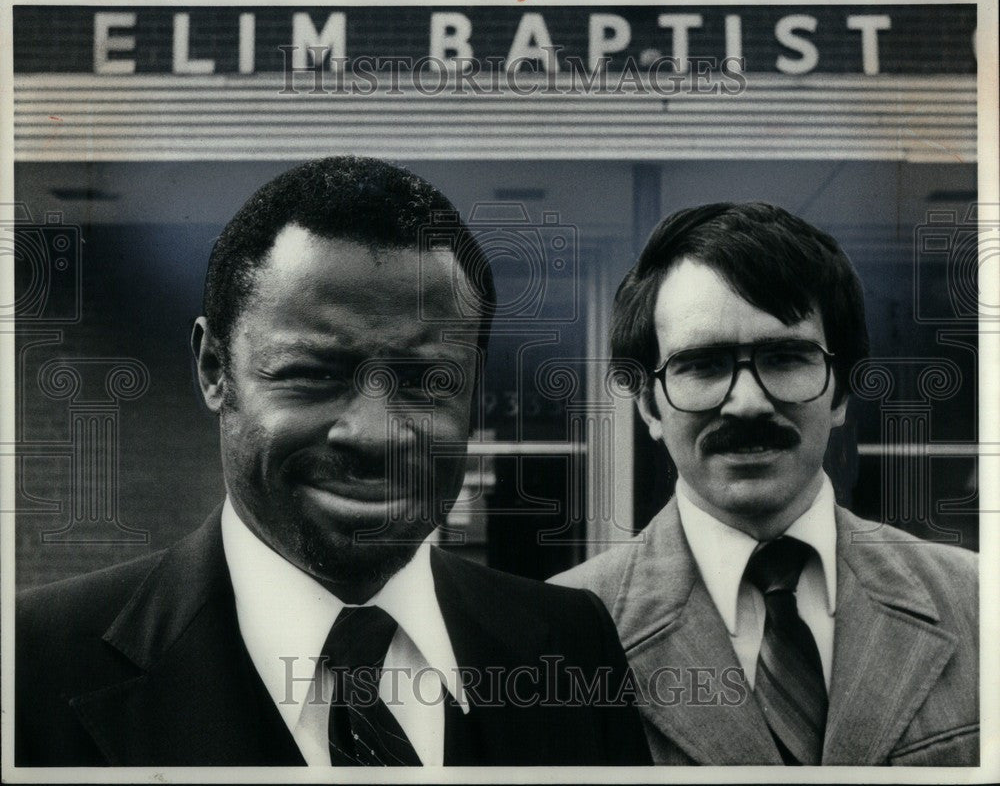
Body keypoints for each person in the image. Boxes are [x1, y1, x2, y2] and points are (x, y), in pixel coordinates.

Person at [16, 157, 651, 767]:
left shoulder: (571, 645)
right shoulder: (32, 665)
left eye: (426, 379)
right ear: (214, 369)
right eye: (313, 374)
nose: (373, 435)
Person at [552, 202, 978, 766]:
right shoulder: (557, 631)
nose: (748, 403)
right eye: (702, 365)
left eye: (784, 358)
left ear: (843, 392)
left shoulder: (977, 601)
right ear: (649, 407)